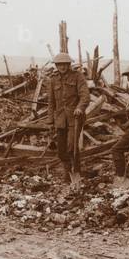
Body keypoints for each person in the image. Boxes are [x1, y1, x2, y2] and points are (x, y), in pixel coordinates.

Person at [47, 52, 90, 182]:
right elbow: (51, 102)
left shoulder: (77, 76)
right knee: (61, 150)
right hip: (60, 119)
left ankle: (75, 172)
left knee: (72, 147)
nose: (63, 67)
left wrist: (79, 108)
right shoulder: (53, 79)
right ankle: (67, 171)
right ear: (56, 65)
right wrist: (50, 121)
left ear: (69, 64)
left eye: (65, 64)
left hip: (75, 118)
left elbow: (85, 96)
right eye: (59, 65)